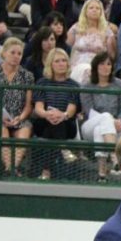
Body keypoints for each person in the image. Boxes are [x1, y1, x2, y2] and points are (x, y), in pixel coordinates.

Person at [0, 37, 33, 177]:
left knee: (25, 129)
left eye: (19, 54)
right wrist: (1, 116)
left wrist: (20, 117)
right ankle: (12, 169)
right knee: (0, 129)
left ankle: (10, 168)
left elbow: (28, 105)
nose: (16, 56)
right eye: (12, 53)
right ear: (4, 53)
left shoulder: (27, 76)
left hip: (17, 116)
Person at [33, 48, 80, 181]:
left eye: (64, 61)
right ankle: (64, 149)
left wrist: (62, 115)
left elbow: (71, 110)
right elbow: (38, 108)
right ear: (50, 65)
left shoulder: (73, 85)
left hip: (66, 124)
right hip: (44, 121)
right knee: (50, 126)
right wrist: (48, 115)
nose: (61, 64)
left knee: (55, 127)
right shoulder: (42, 83)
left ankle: (46, 171)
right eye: (57, 61)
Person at [81, 52, 121, 181]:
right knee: (105, 117)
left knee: (100, 131)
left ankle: (101, 174)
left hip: (114, 129)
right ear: (96, 66)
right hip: (90, 125)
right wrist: (111, 119)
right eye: (102, 64)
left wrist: (119, 119)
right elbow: (89, 111)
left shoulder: (120, 85)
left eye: (109, 64)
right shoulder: (87, 86)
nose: (105, 67)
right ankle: (114, 157)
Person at [67, 0, 116, 84]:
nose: (94, 10)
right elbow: (67, 49)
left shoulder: (107, 31)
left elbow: (111, 55)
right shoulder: (75, 28)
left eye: (98, 8)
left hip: (97, 66)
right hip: (76, 65)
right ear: (85, 11)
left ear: (101, 12)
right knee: (84, 70)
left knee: (88, 71)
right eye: (91, 8)